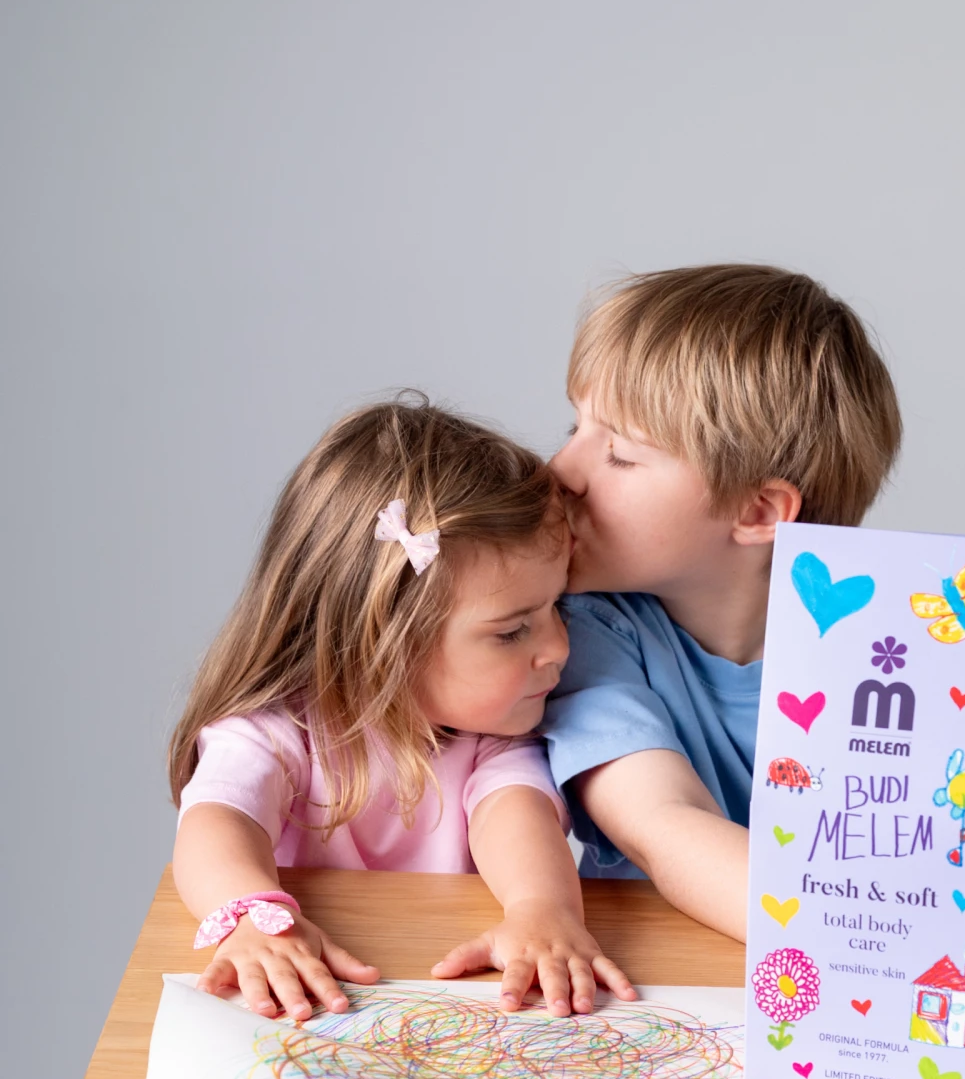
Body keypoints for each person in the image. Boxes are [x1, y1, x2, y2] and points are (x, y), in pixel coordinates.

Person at [542, 265, 965, 1025]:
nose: (560, 471)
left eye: (619, 454)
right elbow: (663, 824)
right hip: (667, 1007)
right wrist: (884, 943)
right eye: (573, 428)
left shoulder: (920, 642)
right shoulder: (582, 632)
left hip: (882, 1030)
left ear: (759, 512)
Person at [170, 396, 634, 1022]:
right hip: (310, 1009)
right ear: (384, 640)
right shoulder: (277, 730)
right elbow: (218, 818)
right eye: (512, 631)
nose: (559, 647)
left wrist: (542, 911)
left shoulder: (492, 732)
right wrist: (254, 918)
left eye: (558, 607)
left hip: (448, 1005)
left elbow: (514, 813)